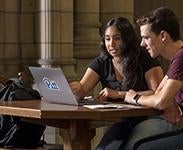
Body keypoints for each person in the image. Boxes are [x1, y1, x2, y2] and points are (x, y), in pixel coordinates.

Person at [70, 17, 175, 150]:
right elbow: (82, 89)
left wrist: (120, 94)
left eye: (117, 38)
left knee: (134, 147)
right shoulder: (102, 61)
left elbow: (157, 92)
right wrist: (69, 89)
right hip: (121, 121)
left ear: (127, 39)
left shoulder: (143, 56)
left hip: (152, 117)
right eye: (108, 39)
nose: (111, 44)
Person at [125, 7, 183, 149]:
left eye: (146, 37)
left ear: (163, 36)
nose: (142, 44)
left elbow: (160, 101)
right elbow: (159, 93)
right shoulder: (181, 56)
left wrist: (134, 98)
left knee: (143, 148)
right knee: (138, 145)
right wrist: (169, 102)